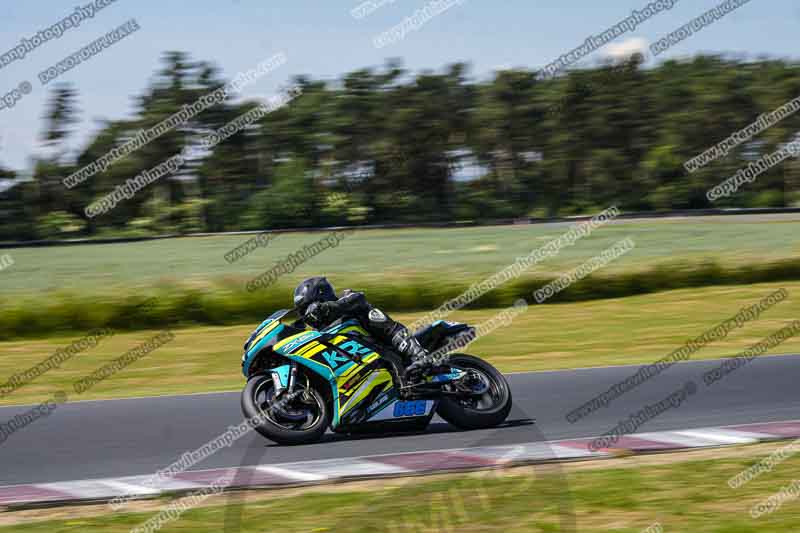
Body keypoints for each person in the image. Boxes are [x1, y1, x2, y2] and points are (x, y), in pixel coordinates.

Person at [292, 276, 430, 387]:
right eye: (302, 312)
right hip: (361, 361)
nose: (306, 315)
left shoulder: (346, 298)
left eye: (306, 309)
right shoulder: (322, 331)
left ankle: (418, 354)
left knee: (374, 315)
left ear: (319, 298)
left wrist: (328, 306)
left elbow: (358, 298)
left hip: (382, 344)